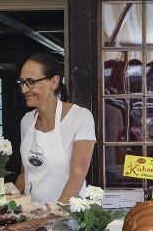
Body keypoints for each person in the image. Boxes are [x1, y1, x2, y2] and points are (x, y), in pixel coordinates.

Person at [14, 53, 96, 205]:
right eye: (22, 82)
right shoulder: (26, 121)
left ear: (54, 82)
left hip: (67, 214)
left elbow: (77, 174)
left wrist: (55, 211)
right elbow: (25, 174)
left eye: (31, 82)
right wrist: (9, 194)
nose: (24, 89)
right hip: (30, 213)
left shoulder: (80, 117)